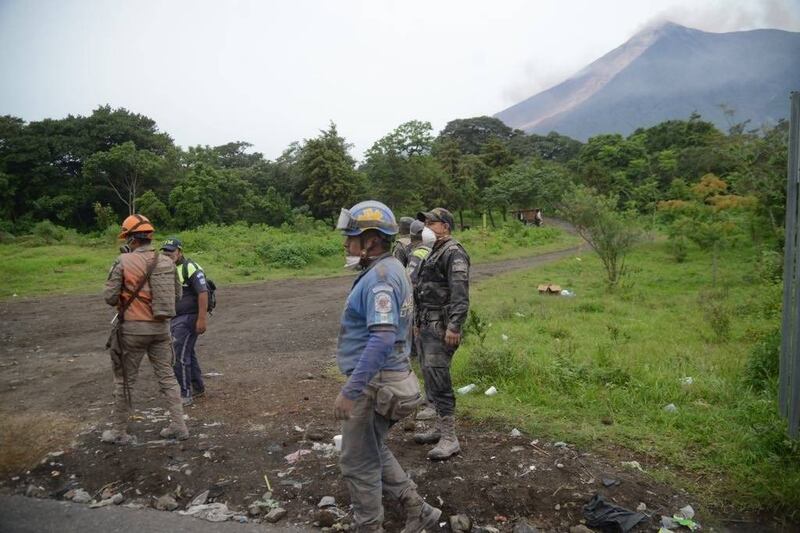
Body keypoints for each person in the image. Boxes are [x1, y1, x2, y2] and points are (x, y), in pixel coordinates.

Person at [333, 200, 441, 533]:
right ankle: (418, 509)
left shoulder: (380, 278)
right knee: (372, 449)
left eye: (351, 238)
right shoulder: (390, 268)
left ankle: (370, 526)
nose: (346, 244)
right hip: (392, 378)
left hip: (375, 386)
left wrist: (351, 391)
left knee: (357, 461)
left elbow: (381, 339)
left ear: (371, 240)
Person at [102, 214, 188, 444]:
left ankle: (118, 432)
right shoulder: (167, 262)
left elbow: (110, 298)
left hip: (132, 331)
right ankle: (179, 427)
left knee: (125, 381)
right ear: (150, 237)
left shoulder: (123, 262)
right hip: (161, 329)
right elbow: (177, 296)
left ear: (132, 239)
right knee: (168, 378)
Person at [413, 207, 470, 460]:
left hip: (441, 326)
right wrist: (417, 321)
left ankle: (450, 438)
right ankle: (439, 428)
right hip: (426, 324)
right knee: (429, 377)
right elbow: (421, 290)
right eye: (425, 223)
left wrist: (454, 326)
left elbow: (460, 293)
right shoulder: (431, 251)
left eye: (431, 223)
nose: (426, 227)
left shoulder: (453, 252)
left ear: (445, 226)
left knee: (439, 377)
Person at [161, 237, 208, 406]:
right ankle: (198, 387)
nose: (168, 255)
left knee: (177, 354)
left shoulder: (190, 267)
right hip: (175, 318)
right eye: (165, 252)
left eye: (171, 251)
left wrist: (201, 319)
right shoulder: (165, 268)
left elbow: (203, 293)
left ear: (180, 252)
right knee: (186, 352)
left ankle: (184, 393)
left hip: (189, 318)